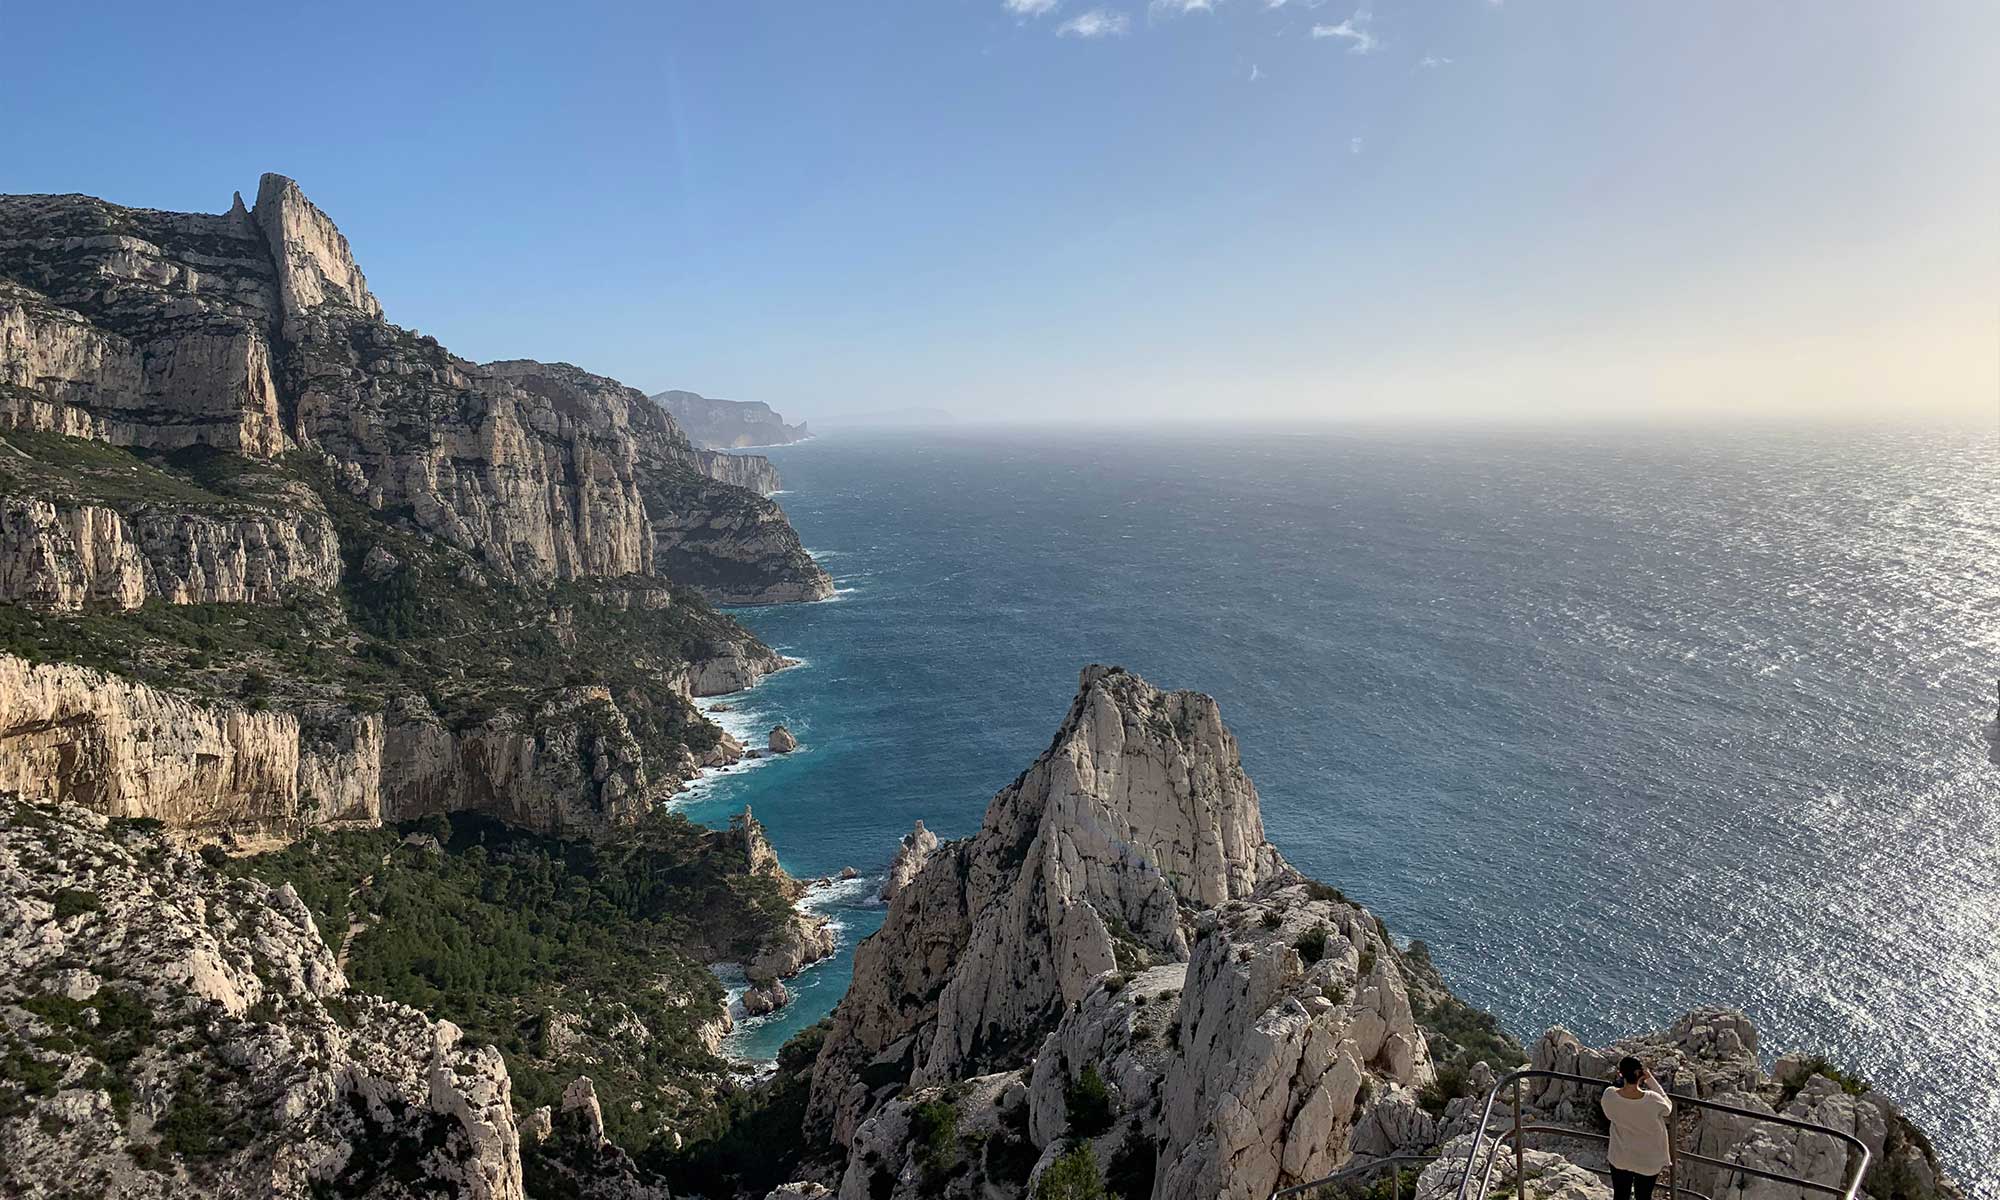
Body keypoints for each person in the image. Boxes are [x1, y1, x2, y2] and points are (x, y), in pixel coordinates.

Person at [1601, 1055, 1673, 1200]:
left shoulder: (1610, 1095)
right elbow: (1668, 1108)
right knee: (1644, 1197)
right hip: (1648, 1160)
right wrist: (1650, 1080)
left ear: (1621, 1074)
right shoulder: (1652, 1099)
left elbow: (1608, 1113)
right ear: (1641, 1074)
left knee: (1620, 1196)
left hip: (1621, 1156)